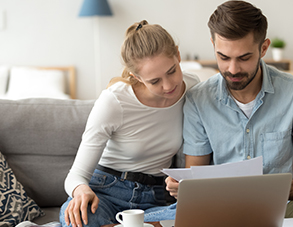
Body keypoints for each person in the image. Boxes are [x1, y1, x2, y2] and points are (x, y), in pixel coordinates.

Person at [165, 0, 293, 219]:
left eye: (244, 58)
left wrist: (268, 191)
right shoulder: (198, 100)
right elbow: (194, 175)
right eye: (223, 57)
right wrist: (186, 188)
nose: (233, 69)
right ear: (213, 45)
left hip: (281, 206)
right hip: (223, 208)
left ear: (263, 48)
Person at [59, 20, 199, 227]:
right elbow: (76, 176)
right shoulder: (114, 101)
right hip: (106, 191)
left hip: (155, 198)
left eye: (172, 71)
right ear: (137, 77)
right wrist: (81, 190)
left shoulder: (194, 89)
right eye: (154, 81)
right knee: (79, 219)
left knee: (201, 213)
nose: (169, 85)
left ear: (178, 55)